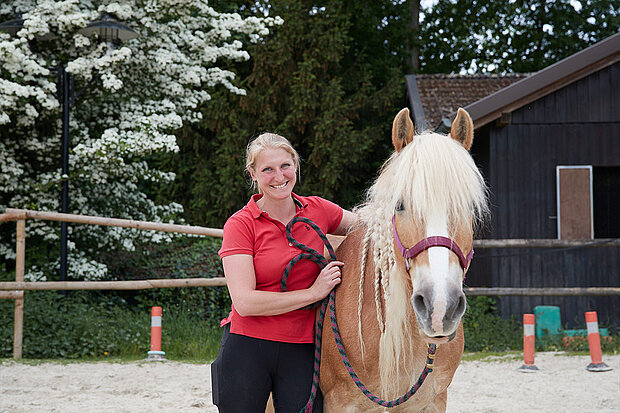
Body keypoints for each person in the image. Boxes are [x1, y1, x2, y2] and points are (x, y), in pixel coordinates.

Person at [211, 132, 357, 412]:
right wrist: (314, 292)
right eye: (267, 169)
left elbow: (370, 229)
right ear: (253, 174)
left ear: (296, 166)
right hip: (248, 345)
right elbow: (246, 302)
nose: (278, 176)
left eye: (285, 166)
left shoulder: (319, 209)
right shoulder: (240, 224)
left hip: (303, 347)